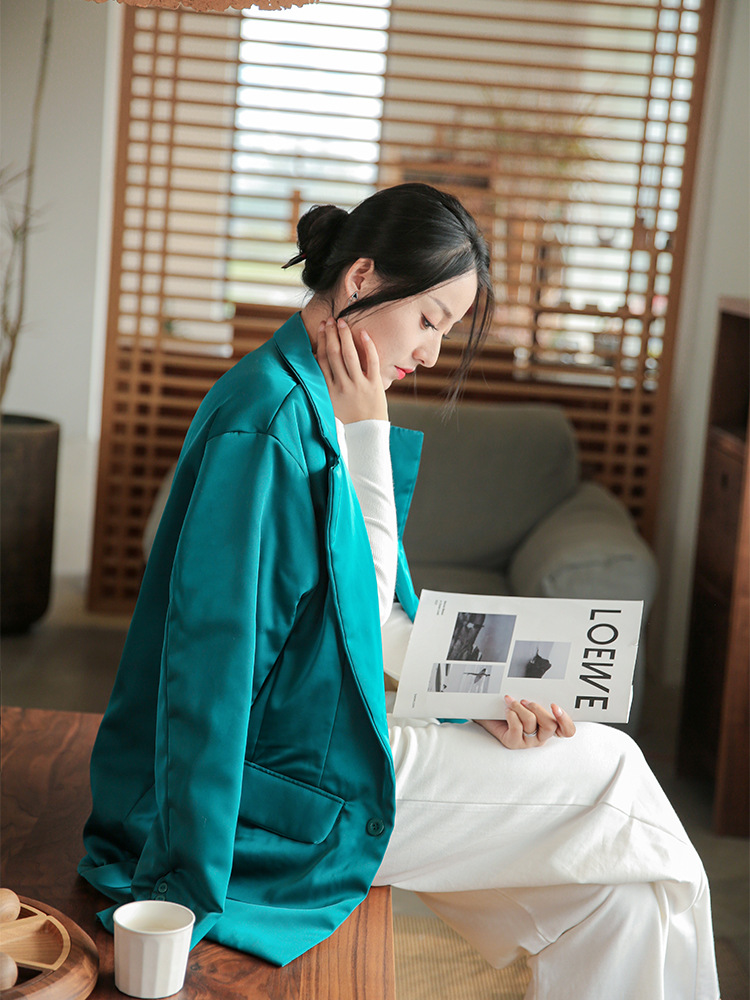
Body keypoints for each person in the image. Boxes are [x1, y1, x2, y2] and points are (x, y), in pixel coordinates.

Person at [79, 183, 720, 999]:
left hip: (316, 735)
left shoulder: (306, 395)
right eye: (429, 320)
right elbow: (211, 667)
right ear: (362, 279)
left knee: (622, 896)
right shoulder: (273, 420)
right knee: (615, 777)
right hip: (280, 784)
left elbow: (363, 620)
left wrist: (469, 697)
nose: (433, 352)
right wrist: (184, 878)